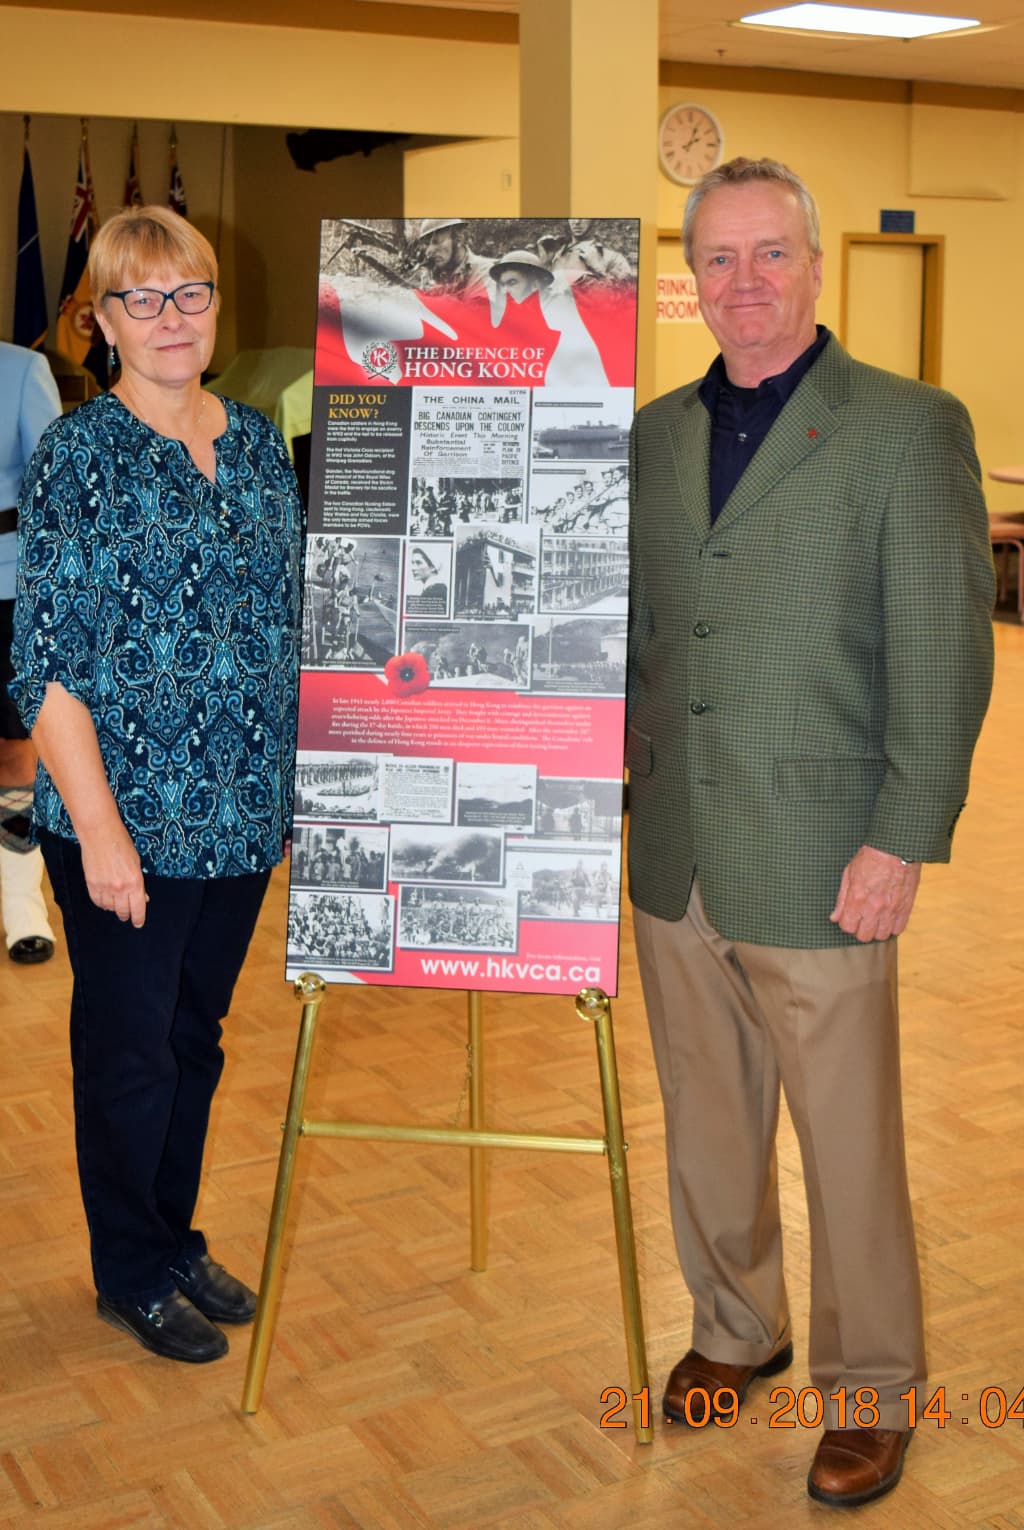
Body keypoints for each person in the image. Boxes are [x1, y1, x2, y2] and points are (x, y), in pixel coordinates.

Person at [626, 158, 994, 1508]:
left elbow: (947, 652)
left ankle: (876, 1387)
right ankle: (739, 1323)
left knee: (848, 1141)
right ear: (692, 275)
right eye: (717, 260)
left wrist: (903, 835)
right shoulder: (653, 436)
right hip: (676, 851)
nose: (745, 285)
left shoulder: (903, 427)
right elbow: (644, 637)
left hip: (829, 853)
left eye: (769, 255)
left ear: (817, 264)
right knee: (706, 1118)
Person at [11, 206, 303, 1365]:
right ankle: (127, 1268)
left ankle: (172, 1239)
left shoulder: (262, 444)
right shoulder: (80, 455)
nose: (172, 317)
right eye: (142, 297)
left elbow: (287, 625)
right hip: (124, 822)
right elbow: (45, 664)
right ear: (101, 321)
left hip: (238, 816)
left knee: (196, 1037)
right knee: (129, 1051)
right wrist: (99, 834)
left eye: (190, 293)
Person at [0, 342, 60, 963]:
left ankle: (22, 905)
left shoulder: (21, 371)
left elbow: (55, 495)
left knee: (16, 749)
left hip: (7, 587)